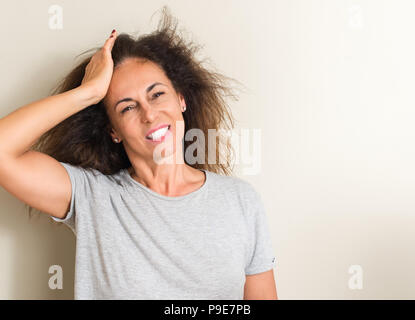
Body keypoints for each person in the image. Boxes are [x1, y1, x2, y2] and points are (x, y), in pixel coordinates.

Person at [0, 6, 278, 300]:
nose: (149, 113)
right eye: (127, 107)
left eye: (157, 94)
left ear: (180, 99)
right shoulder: (93, 196)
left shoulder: (240, 201)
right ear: (114, 131)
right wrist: (89, 93)